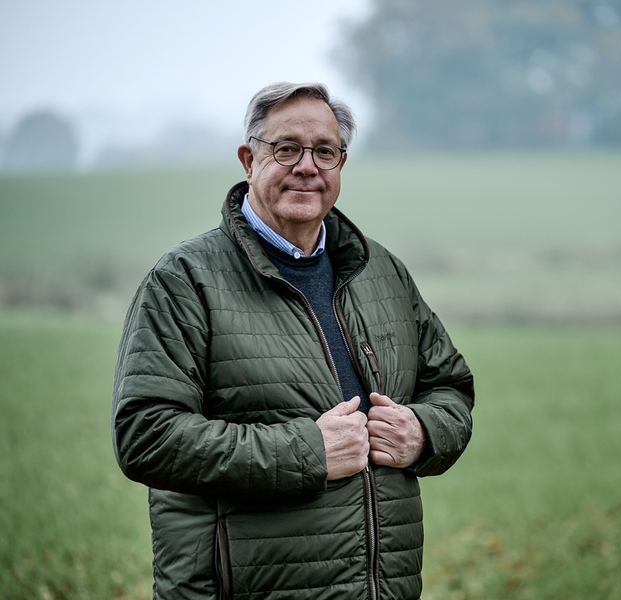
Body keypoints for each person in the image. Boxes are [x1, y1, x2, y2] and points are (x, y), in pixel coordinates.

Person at [112, 82, 474, 600]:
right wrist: (309, 451)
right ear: (248, 159)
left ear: (341, 165)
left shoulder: (382, 272)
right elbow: (145, 435)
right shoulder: (184, 281)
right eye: (287, 149)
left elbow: (452, 388)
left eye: (325, 151)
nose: (308, 166)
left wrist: (424, 433)